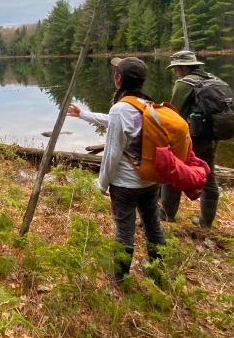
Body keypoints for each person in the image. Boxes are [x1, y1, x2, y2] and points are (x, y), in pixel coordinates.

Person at [67, 57, 166, 286]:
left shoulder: (121, 108)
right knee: (152, 224)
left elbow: (111, 153)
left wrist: (102, 183)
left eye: (115, 73)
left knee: (124, 229)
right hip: (150, 180)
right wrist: (83, 114)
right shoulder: (148, 105)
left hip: (125, 185)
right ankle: (158, 273)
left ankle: (119, 278)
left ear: (119, 79)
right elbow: (115, 121)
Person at [161, 51, 220, 228]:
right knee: (209, 175)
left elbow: (174, 114)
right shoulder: (213, 80)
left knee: (174, 171)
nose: (174, 72)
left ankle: (167, 214)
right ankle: (206, 222)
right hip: (213, 136)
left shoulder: (184, 84)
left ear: (184, 67)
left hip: (192, 138)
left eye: (176, 68)